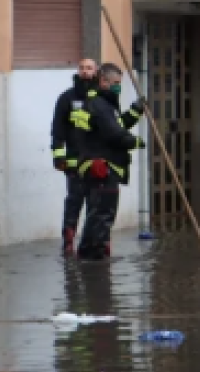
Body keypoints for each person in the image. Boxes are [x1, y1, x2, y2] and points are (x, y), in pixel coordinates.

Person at [73, 63, 146, 260]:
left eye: (119, 84)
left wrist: (135, 111)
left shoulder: (103, 104)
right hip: (103, 169)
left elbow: (116, 125)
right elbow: (116, 135)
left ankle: (88, 257)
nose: (118, 87)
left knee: (97, 215)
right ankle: (95, 263)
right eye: (115, 83)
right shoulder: (100, 105)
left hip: (99, 169)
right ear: (103, 81)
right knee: (102, 217)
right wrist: (137, 142)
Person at [51, 58, 99, 255]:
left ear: (96, 71)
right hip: (74, 162)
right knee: (74, 201)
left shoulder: (102, 98)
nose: (85, 71)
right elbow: (57, 129)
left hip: (98, 163)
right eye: (82, 68)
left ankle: (94, 243)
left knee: (96, 204)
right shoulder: (67, 98)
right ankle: (69, 240)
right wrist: (58, 156)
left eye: (89, 68)